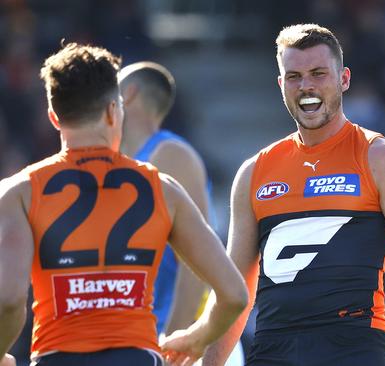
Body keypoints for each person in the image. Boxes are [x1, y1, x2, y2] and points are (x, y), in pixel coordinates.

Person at [167, 23, 385, 366]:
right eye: (294, 77)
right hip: (273, 351)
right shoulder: (254, 172)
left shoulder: (382, 159)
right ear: (281, 85)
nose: (306, 86)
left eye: (318, 73)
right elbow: (236, 292)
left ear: (344, 79)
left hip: (355, 349)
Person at [0, 42, 248, 366]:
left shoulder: (19, 191)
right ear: (113, 111)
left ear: (53, 117)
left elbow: (8, 299)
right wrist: (197, 337)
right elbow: (234, 294)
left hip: (57, 356)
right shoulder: (162, 188)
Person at [118, 61, 245, 365]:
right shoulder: (124, 163)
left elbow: (196, 264)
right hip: (150, 341)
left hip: (186, 344)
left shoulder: (170, 155)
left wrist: (174, 342)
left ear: (130, 94)